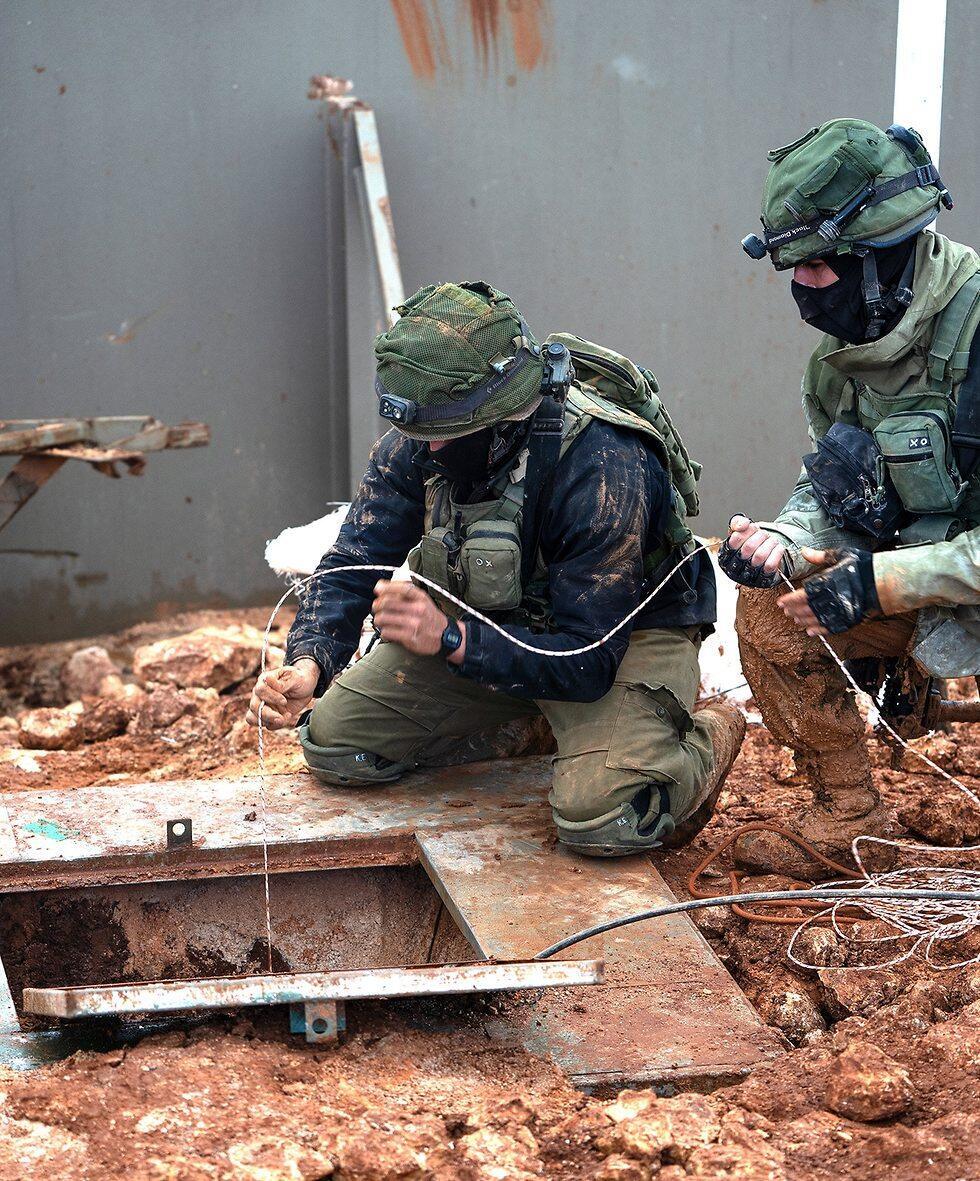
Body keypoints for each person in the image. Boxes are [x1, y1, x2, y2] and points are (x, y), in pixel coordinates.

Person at [247, 280, 744, 856]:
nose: (423, 451)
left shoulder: (604, 462)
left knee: (606, 818)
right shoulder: (425, 439)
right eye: (418, 434)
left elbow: (587, 659)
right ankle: (526, 723)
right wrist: (310, 662)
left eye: (442, 436)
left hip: (617, 641)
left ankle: (703, 737)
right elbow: (355, 560)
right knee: (339, 746)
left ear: (500, 415)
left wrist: (451, 638)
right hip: (493, 625)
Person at [722, 118, 980, 877]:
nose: (802, 289)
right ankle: (848, 818)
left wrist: (877, 583)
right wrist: (788, 539)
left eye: (818, 269)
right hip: (935, 588)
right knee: (772, 611)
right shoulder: (843, 360)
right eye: (792, 270)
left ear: (883, 260)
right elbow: (838, 483)